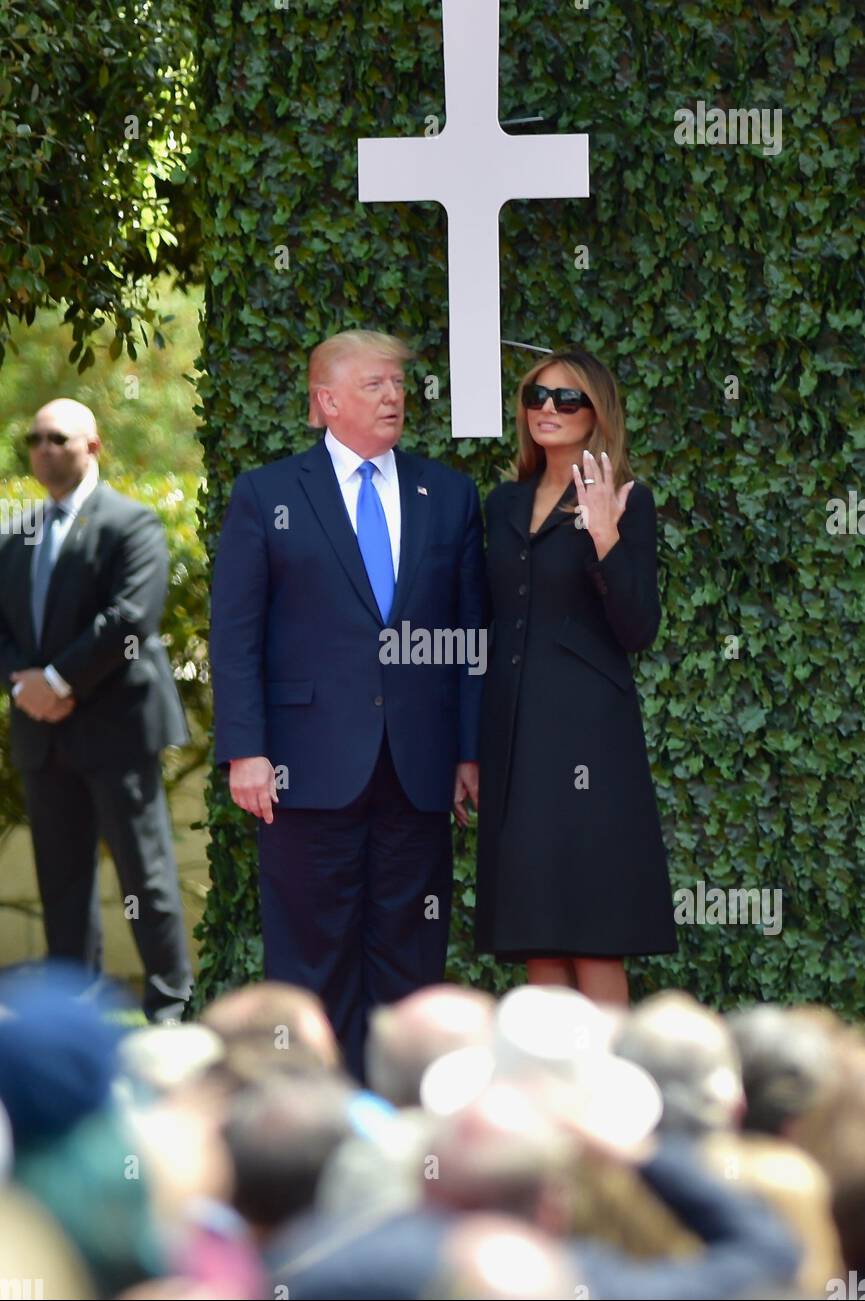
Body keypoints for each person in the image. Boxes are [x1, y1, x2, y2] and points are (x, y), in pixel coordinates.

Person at [210, 330, 486, 1082]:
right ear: (325, 401)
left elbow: (468, 638)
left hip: (417, 768)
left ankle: (405, 1125)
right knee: (309, 960)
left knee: (411, 960)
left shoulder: (449, 494)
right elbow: (234, 633)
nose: (394, 397)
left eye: (397, 383)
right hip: (301, 768)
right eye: (373, 385)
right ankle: (311, 1123)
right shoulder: (266, 494)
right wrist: (245, 748)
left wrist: (467, 751)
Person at [474, 348, 677, 1004]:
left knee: (593, 932)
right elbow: (490, 622)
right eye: (537, 397)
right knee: (537, 934)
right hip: (514, 733)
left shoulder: (626, 499)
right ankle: (550, 1099)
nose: (547, 410)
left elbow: (636, 629)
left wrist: (604, 539)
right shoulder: (501, 502)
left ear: (597, 414)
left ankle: (613, 1101)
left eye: (567, 400)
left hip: (589, 733)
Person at [0, 400, 193, 1021]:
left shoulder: (131, 523)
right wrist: (23, 686)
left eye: (58, 437)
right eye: (35, 438)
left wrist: (58, 681)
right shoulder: (16, 534)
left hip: (117, 726)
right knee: (62, 882)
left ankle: (169, 1009)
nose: (44, 448)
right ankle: (73, 1016)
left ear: (94, 446)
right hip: (42, 733)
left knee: (147, 876)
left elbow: (131, 618)